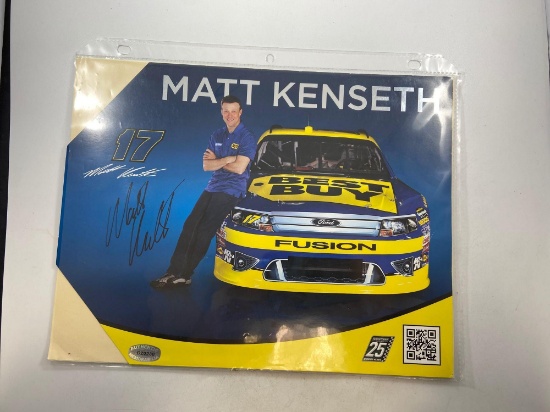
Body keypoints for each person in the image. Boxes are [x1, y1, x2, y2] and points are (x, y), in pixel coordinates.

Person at [150, 95, 256, 288]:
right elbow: (206, 165)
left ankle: (184, 275)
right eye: (226, 111)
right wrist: (228, 159)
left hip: (231, 190)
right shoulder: (217, 135)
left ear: (240, 112)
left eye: (234, 111)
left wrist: (219, 161)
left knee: (203, 230)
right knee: (190, 225)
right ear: (221, 112)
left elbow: (240, 168)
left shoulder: (246, 137)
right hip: (213, 186)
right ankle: (172, 271)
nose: (230, 115)